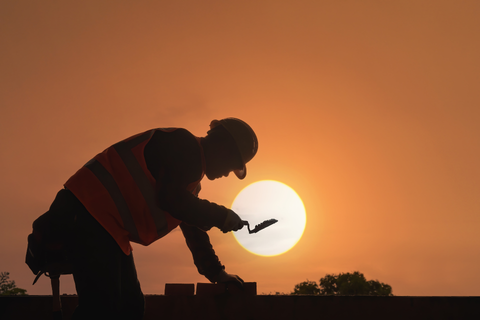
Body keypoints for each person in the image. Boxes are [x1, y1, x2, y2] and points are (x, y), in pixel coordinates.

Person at [42, 118, 258, 320]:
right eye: (232, 164)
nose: (228, 173)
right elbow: (172, 200)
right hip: (89, 212)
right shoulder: (185, 147)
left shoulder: (189, 174)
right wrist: (221, 215)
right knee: (102, 309)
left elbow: (191, 224)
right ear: (223, 148)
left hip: (107, 226)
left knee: (131, 307)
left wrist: (217, 272)